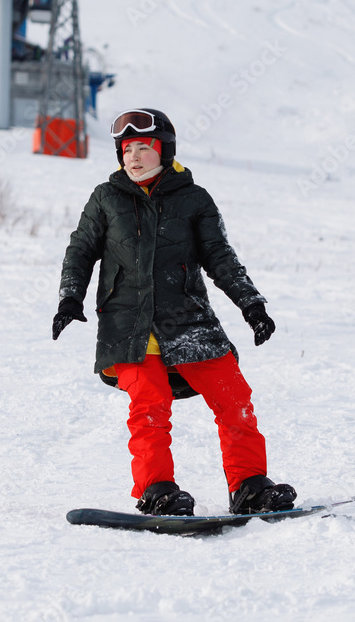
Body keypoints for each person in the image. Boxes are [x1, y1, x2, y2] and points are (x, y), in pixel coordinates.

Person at [53, 108, 296, 517]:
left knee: (234, 399)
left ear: (165, 151)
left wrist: (251, 304)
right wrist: (69, 299)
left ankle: (250, 486)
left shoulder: (194, 199)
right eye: (127, 149)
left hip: (189, 319)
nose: (134, 156)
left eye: (144, 147)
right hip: (128, 325)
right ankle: (157, 490)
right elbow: (80, 251)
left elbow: (221, 258)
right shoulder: (106, 198)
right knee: (149, 406)